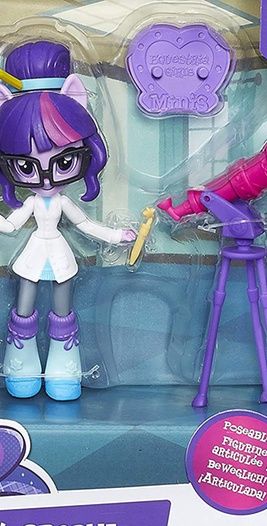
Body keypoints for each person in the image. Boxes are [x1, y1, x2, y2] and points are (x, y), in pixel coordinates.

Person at [0, 41, 135, 400]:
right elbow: (11, 226)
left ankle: (64, 364)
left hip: (59, 255)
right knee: (24, 307)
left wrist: (117, 236)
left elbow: (85, 225)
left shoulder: (61, 202)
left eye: (63, 162)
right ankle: (21, 361)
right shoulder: (33, 202)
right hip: (32, 255)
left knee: (63, 309)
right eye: (26, 166)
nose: (45, 180)